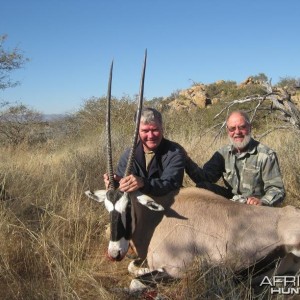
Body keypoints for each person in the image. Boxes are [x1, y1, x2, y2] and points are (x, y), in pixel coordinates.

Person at [185, 110, 285, 206]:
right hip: (231, 202)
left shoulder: (266, 155)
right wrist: (185, 160)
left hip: (254, 207)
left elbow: (277, 189)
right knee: (203, 187)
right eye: (232, 129)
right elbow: (204, 178)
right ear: (228, 131)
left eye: (242, 127)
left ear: (250, 127)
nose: (237, 132)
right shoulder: (222, 154)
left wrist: (263, 202)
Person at [104, 107, 186, 196]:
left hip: (168, 205)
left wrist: (143, 183)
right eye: (145, 131)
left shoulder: (175, 152)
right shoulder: (128, 155)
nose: (150, 136)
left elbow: (171, 184)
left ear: (162, 128)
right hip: (137, 207)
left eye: (155, 130)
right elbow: (123, 188)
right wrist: (115, 182)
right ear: (137, 132)